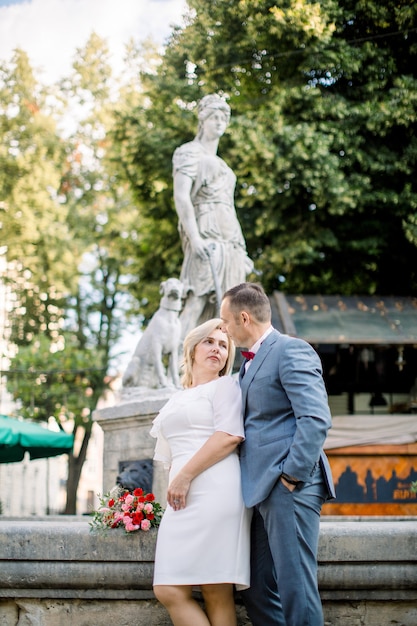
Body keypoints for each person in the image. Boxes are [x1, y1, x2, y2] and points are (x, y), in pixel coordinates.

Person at [220, 282, 336, 626]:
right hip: (258, 491)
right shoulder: (246, 365)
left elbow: (315, 419)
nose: (224, 329)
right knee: (253, 587)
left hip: (290, 487)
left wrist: (290, 477)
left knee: (296, 587)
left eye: (225, 322)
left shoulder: (290, 350)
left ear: (244, 317)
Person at [150, 317, 251, 626]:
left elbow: (229, 436)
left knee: (215, 589)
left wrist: (184, 477)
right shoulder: (177, 397)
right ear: (193, 348)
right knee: (171, 588)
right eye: (209, 341)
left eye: (223, 345)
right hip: (183, 495)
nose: (216, 349)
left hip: (216, 489)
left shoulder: (226, 386)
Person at [172, 94, 253, 339]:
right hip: (206, 232)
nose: (219, 122)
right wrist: (194, 238)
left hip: (230, 237)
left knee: (227, 310)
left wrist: (241, 251)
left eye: (223, 118)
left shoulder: (223, 166)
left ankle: (215, 371)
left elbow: (229, 206)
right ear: (203, 121)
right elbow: (182, 197)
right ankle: (177, 365)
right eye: (214, 117)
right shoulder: (188, 153)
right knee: (196, 300)